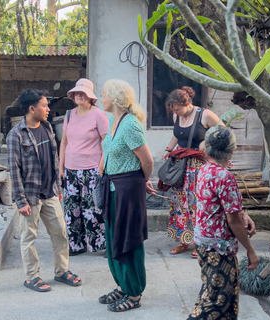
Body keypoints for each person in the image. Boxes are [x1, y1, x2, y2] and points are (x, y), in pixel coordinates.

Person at [6, 89, 82, 293]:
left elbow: (54, 159)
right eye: (44, 105)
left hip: (50, 193)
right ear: (32, 109)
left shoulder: (47, 127)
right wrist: (20, 201)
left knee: (60, 233)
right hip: (30, 197)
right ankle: (32, 277)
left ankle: (61, 271)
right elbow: (14, 170)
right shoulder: (16, 135)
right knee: (28, 238)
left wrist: (57, 186)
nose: (48, 109)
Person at [188, 126, 259, 319]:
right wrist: (250, 250)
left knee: (220, 297)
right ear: (231, 151)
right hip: (218, 248)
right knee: (214, 303)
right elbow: (233, 220)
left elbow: (221, 207)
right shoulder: (224, 177)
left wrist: (243, 214)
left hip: (204, 243)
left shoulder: (204, 170)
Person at [98, 79, 155, 312]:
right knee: (114, 239)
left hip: (128, 191)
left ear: (115, 98)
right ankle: (122, 285)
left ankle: (134, 293)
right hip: (112, 188)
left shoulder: (130, 124)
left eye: (103, 95)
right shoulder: (113, 120)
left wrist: (142, 180)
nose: (101, 99)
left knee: (128, 240)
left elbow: (147, 161)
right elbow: (107, 152)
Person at [163, 87, 222, 258]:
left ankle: (200, 241)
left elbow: (223, 130)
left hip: (199, 166)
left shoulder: (205, 115)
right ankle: (184, 240)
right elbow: (177, 134)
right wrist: (168, 149)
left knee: (197, 203)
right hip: (181, 166)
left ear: (187, 104)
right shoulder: (177, 116)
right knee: (181, 203)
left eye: (177, 109)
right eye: (173, 110)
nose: (176, 113)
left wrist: (207, 139)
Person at [59, 78, 109, 256]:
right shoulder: (69, 115)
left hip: (92, 169)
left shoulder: (98, 115)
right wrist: (61, 167)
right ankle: (75, 244)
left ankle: (98, 244)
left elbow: (107, 142)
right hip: (71, 169)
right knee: (71, 208)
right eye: (76, 93)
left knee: (93, 209)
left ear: (90, 97)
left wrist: (101, 166)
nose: (79, 96)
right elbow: (64, 142)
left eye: (83, 93)